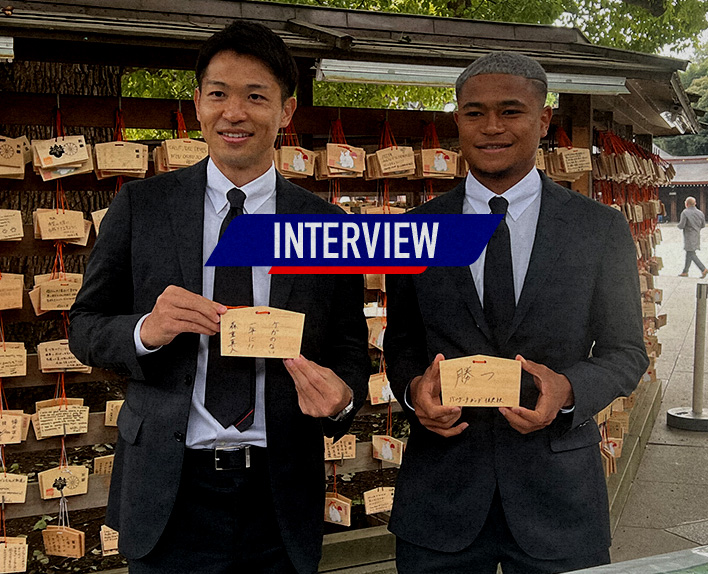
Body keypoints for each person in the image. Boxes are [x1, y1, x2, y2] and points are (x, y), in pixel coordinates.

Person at [68, 21, 370, 574]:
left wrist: (343, 400)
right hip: (169, 486)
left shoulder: (326, 225)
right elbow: (85, 326)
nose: (235, 113)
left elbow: (350, 349)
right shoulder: (143, 206)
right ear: (198, 104)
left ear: (286, 112)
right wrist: (146, 331)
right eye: (218, 95)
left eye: (256, 96)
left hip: (279, 493)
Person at [384, 52, 649, 574]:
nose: (491, 128)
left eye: (511, 111)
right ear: (456, 119)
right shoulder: (417, 228)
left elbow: (626, 352)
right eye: (474, 112)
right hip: (441, 499)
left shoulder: (597, 228)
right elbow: (403, 343)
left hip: (558, 499)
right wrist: (415, 392)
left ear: (543, 120)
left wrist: (568, 390)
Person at [678, 196, 707, 277]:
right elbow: (703, 225)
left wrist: (678, 225)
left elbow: (682, 225)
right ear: (695, 204)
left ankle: (703, 268)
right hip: (696, 235)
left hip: (689, 236)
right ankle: (685, 271)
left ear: (686, 204)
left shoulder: (685, 212)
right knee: (689, 252)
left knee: (691, 254)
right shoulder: (700, 213)